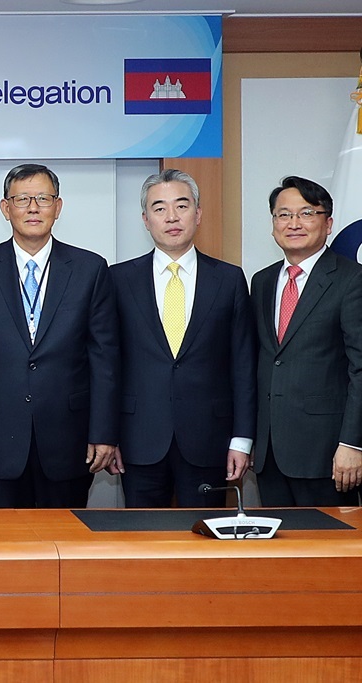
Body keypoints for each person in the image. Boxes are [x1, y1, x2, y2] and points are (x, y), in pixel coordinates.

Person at [0, 164, 119, 509]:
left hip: (71, 437)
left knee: (67, 546)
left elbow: (104, 358)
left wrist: (104, 432)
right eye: (22, 199)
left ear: (58, 207)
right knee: (7, 550)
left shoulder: (89, 269)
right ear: (6, 209)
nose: (33, 208)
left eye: (43, 198)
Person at [110, 169, 256, 507]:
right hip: (138, 440)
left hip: (211, 441)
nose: (172, 217)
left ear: (198, 213)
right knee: (142, 545)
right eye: (159, 208)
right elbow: (108, 364)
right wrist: (108, 435)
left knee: (208, 546)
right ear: (145, 220)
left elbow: (243, 365)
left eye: (182, 205)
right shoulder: (118, 279)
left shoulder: (229, 279)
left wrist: (242, 439)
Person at [252, 175, 362, 506]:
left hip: (327, 454)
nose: (294, 223)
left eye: (306, 213)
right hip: (270, 453)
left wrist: (353, 444)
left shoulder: (351, 280)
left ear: (328, 223)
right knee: (276, 552)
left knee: (325, 554)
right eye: (283, 214)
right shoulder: (262, 281)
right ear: (273, 224)